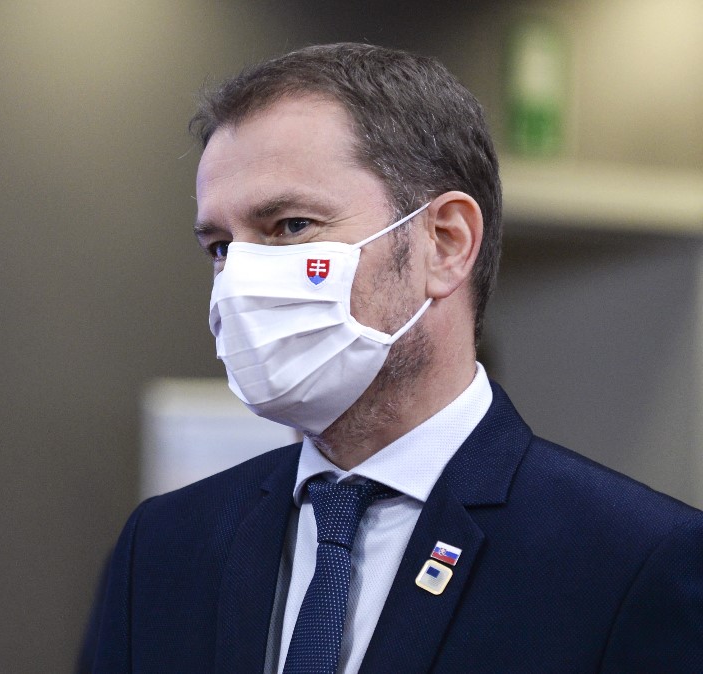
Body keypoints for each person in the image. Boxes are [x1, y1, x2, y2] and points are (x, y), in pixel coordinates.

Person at [81, 43, 703, 673]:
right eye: (220, 246)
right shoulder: (163, 547)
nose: (240, 279)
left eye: (292, 226)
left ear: (445, 244)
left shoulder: (633, 561)